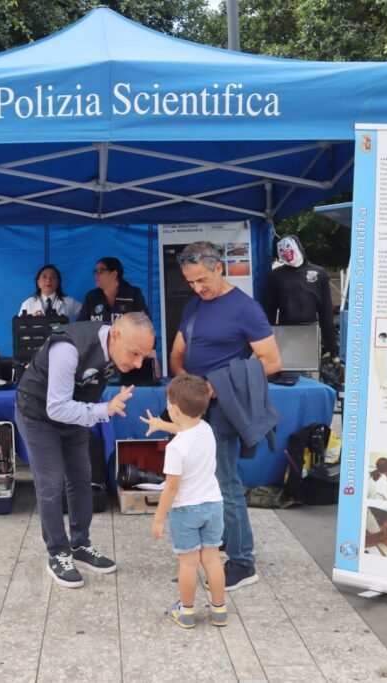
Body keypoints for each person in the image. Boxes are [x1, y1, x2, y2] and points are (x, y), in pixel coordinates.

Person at [169, 241, 281, 591]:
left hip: (222, 408)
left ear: (219, 268)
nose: (197, 288)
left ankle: (244, 561)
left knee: (223, 483)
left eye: (202, 279)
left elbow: (272, 363)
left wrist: (215, 385)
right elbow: (177, 352)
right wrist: (183, 381)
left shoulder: (246, 309)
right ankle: (216, 547)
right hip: (192, 407)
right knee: (201, 481)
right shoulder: (194, 305)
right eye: (190, 282)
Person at [15, 312, 156, 588]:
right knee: (51, 483)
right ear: (115, 336)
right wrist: (105, 409)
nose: (138, 363)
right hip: (38, 415)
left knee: (82, 479)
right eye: (135, 353)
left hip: (75, 415)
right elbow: (55, 406)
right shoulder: (68, 348)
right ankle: (57, 554)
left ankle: (80, 544)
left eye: (144, 356)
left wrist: (96, 411)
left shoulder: (117, 347)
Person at [141, 374, 227, 629]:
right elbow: (184, 428)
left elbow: (172, 488)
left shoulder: (175, 449)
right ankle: (219, 609)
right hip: (213, 505)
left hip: (185, 510)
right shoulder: (206, 429)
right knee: (212, 559)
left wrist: (158, 518)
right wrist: (161, 424)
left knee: (188, 563)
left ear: (174, 409)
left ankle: (186, 611)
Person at [263, 235, 337, 356]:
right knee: (286, 372)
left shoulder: (319, 273)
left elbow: (326, 313)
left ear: (298, 246)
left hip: (311, 334)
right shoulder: (275, 277)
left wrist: (332, 347)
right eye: (281, 249)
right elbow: (269, 313)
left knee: (308, 372)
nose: (285, 251)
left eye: (288, 246)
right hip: (285, 335)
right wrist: (268, 344)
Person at [78, 257, 148, 324]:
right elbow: (80, 326)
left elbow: (144, 324)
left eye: (100, 271)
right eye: (95, 272)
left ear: (114, 274)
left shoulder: (133, 295)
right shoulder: (92, 297)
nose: (96, 275)